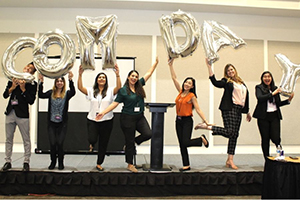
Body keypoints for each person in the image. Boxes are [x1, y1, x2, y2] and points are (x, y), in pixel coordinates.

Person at [96, 57, 159, 173]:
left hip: (139, 116)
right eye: (132, 76)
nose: (134, 78)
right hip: (127, 118)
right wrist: (103, 112)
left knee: (148, 133)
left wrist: (155, 63)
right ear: (128, 77)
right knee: (129, 142)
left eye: (136, 76)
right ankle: (130, 164)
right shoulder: (123, 90)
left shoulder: (139, 84)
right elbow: (115, 103)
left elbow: (148, 73)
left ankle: (134, 141)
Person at [194, 58, 251, 170]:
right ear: (226, 73)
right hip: (229, 108)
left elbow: (244, 98)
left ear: (235, 70)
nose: (230, 72)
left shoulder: (241, 82)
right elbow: (215, 82)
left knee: (234, 135)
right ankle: (208, 127)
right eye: (228, 71)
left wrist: (247, 111)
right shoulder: (226, 82)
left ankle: (230, 160)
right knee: (230, 132)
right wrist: (209, 67)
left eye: (231, 69)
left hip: (239, 110)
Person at [168, 58, 210, 172]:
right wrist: (171, 65)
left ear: (192, 86)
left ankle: (201, 139)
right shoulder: (180, 92)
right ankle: (186, 164)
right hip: (178, 120)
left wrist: (205, 121)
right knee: (182, 144)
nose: (187, 84)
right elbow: (174, 78)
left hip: (187, 121)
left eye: (189, 83)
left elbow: (198, 109)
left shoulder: (192, 96)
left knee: (185, 142)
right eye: (186, 82)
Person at [77, 64, 121, 171]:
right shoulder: (91, 91)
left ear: (106, 80)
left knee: (103, 142)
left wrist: (117, 75)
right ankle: (92, 144)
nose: (102, 79)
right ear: (97, 80)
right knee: (92, 138)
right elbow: (80, 88)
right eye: (100, 77)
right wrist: (80, 75)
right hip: (92, 119)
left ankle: (99, 163)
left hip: (107, 121)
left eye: (104, 77)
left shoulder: (110, 91)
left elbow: (119, 88)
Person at [2, 62, 37, 172]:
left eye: (30, 69)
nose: (27, 69)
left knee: (26, 139)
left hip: (22, 114)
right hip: (10, 112)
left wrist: (23, 89)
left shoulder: (32, 84)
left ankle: (26, 161)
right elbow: (5, 95)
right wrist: (12, 87)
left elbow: (31, 101)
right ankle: (8, 161)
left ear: (32, 73)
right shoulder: (13, 79)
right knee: (8, 139)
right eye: (27, 66)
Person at [38, 71, 75, 170]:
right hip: (51, 123)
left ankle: (61, 162)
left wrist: (71, 80)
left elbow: (73, 92)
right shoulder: (51, 93)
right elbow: (40, 95)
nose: (59, 83)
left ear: (63, 83)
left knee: (60, 143)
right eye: (57, 81)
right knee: (53, 143)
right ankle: (53, 161)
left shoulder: (66, 94)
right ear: (55, 83)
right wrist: (41, 82)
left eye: (61, 81)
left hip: (62, 124)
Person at [253, 71, 293, 159]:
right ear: (262, 78)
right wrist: (272, 94)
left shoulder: (275, 88)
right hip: (263, 116)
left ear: (271, 78)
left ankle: (279, 154)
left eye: (269, 77)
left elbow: (277, 103)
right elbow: (260, 98)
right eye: (265, 77)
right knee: (265, 138)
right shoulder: (259, 87)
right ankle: (267, 158)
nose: (267, 78)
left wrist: (288, 100)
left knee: (276, 137)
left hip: (274, 115)